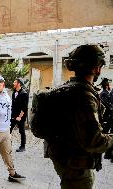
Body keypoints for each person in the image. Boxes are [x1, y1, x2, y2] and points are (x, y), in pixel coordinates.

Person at [47, 45, 113, 189]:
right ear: (97, 68)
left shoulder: (68, 88)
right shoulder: (84, 96)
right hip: (76, 166)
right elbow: (94, 141)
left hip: (64, 159)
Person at [10, 78, 29, 152]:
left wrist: (19, 117)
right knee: (8, 130)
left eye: (15, 82)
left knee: (21, 131)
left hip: (21, 116)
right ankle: (7, 145)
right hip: (13, 115)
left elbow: (25, 107)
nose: (13, 83)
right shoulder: (14, 92)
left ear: (19, 84)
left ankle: (22, 146)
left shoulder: (24, 94)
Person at [99, 78, 113, 161]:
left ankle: (107, 153)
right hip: (108, 117)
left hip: (109, 117)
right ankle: (106, 153)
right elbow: (106, 106)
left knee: (107, 133)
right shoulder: (103, 94)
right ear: (106, 86)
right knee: (106, 134)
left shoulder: (107, 93)